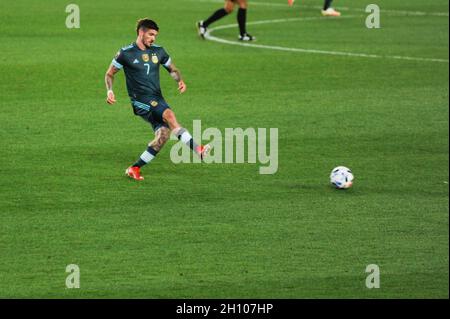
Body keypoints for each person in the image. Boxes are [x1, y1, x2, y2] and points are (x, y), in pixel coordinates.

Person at [105, 18, 210, 181]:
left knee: (163, 136)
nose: (153, 38)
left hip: (156, 99)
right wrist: (110, 91)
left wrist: (179, 80)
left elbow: (172, 69)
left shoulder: (158, 51)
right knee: (169, 115)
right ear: (141, 32)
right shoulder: (125, 53)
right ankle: (198, 149)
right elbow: (110, 73)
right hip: (140, 101)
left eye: (155, 35)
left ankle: (134, 168)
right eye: (151, 34)